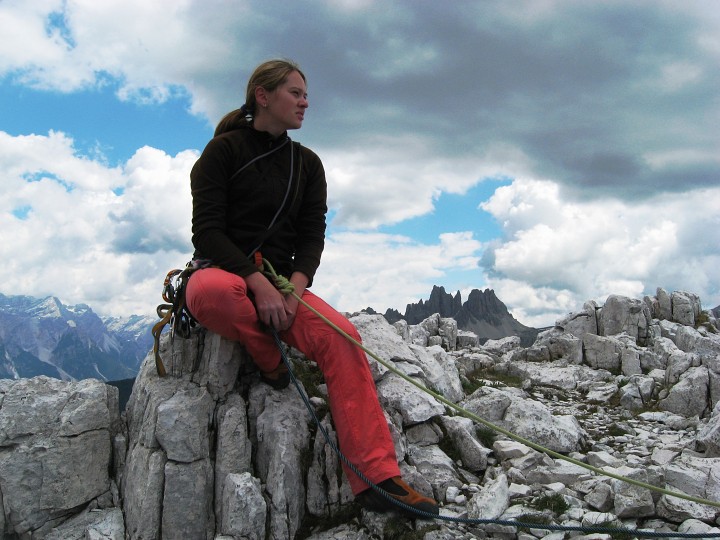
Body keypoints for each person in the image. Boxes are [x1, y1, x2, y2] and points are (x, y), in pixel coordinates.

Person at [184, 59, 439, 516]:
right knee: (217, 295)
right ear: (263, 96)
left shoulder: (307, 164)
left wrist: (293, 292)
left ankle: (377, 479)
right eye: (295, 93)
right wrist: (257, 284)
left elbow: (310, 237)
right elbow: (207, 231)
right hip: (224, 273)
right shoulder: (222, 152)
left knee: (342, 337)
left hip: (284, 284)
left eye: (305, 94)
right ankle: (271, 360)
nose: (305, 102)